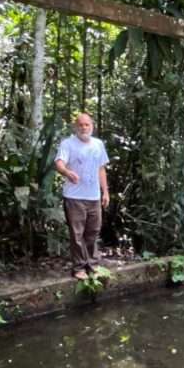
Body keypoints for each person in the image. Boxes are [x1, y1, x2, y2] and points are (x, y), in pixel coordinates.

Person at [54, 113, 110, 280]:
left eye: (87, 125)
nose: (84, 128)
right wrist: (66, 172)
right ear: (75, 127)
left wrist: (105, 192)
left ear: (92, 126)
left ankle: (92, 265)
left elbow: (101, 169)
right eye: (81, 125)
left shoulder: (98, 144)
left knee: (93, 231)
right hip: (74, 197)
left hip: (93, 196)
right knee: (77, 233)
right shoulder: (68, 144)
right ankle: (79, 268)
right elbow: (59, 163)